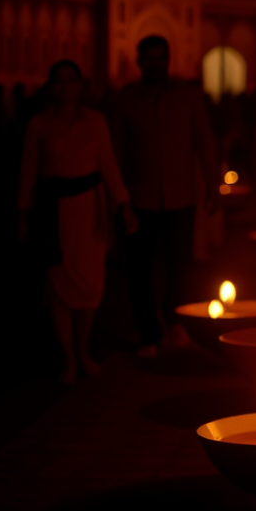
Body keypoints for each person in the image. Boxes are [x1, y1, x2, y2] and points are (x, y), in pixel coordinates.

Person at [18, 60, 136, 383]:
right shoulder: (39, 124)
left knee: (90, 282)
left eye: (72, 80)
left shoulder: (95, 122)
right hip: (53, 212)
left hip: (89, 210)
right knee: (58, 284)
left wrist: (123, 204)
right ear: (51, 86)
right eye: (60, 80)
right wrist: (23, 213)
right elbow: (28, 170)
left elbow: (108, 165)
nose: (66, 86)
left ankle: (83, 349)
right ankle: (68, 357)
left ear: (81, 86)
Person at [110, 36, 218, 357]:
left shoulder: (188, 97)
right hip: (139, 197)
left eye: (160, 58)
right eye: (149, 59)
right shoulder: (126, 101)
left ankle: (174, 321)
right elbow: (116, 151)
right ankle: (148, 331)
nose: (155, 64)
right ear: (139, 62)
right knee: (139, 267)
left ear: (168, 61)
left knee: (180, 265)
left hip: (180, 196)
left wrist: (213, 185)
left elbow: (205, 142)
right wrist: (119, 197)